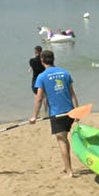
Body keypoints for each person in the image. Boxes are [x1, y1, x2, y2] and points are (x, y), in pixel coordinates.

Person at [31, 48, 79, 177]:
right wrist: (77, 110)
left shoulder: (41, 76)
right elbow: (72, 94)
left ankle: (69, 171)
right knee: (64, 137)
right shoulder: (65, 73)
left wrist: (34, 116)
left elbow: (39, 98)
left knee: (61, 140)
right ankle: (66, 166)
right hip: (70, 112)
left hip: (57, 114)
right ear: (53, 59)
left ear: (42, 60)